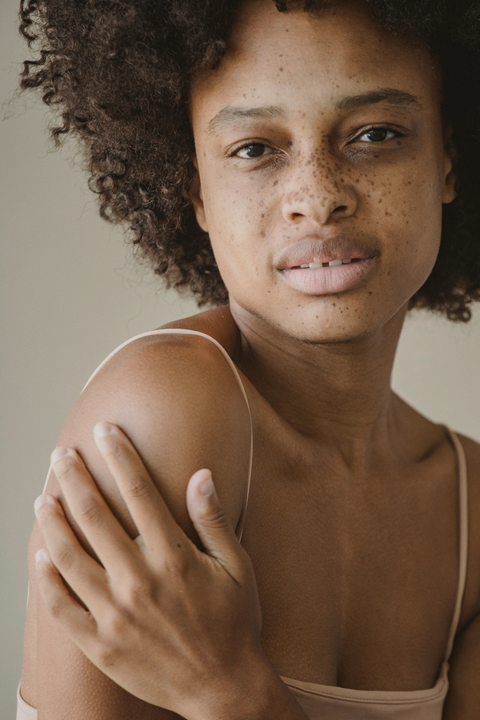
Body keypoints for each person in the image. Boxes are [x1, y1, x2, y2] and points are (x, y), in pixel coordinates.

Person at [16, 0, 480, 717]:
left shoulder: (471, 510)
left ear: (446, 158)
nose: (318, 198)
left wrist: (232, 693)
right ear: (195, 188)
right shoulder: (168, 411)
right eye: (255, 149)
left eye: (376, 134)